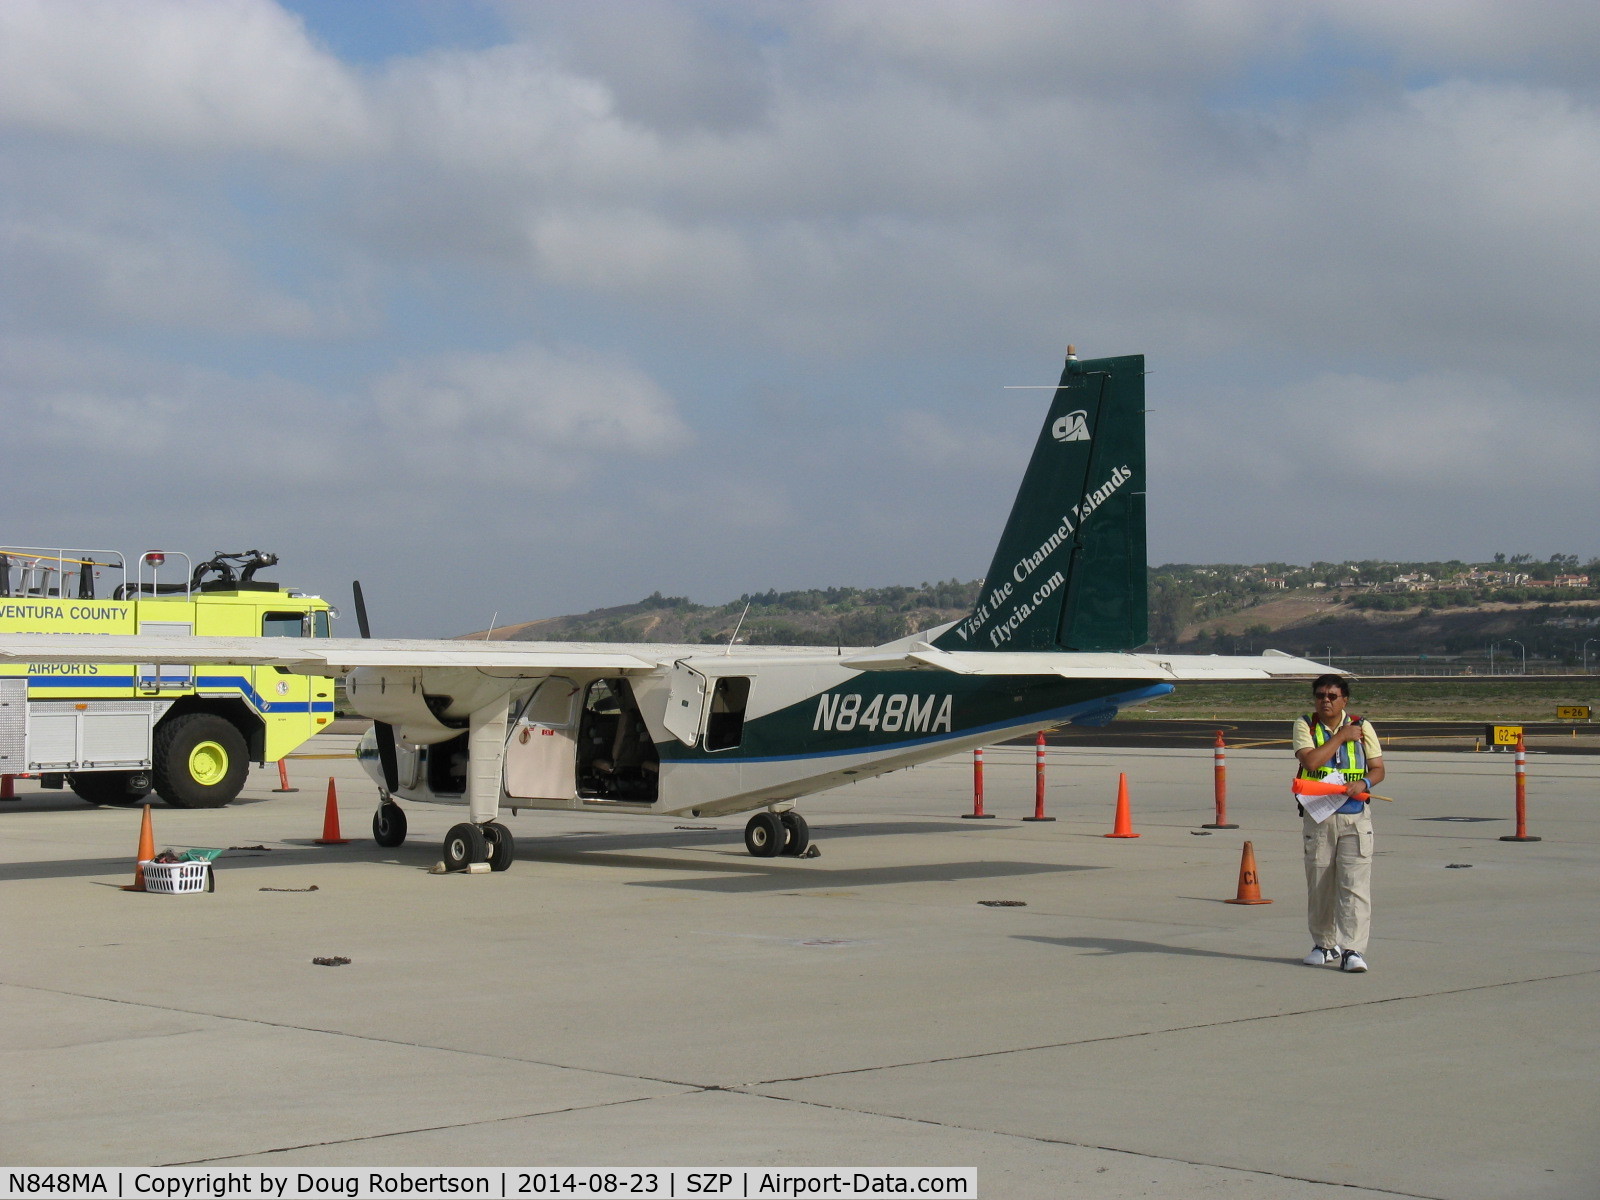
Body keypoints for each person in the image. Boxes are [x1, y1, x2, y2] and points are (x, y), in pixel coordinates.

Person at [1292, 674, 1385, 972]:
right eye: (1320, 695)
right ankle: (1324, 943)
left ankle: (1353, 950)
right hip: (1319, 817)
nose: (1325, 701)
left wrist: (1366, 782)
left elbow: (1379, 768)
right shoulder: (1304, 725)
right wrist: (1342, 737)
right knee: (1319, 885)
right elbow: (1311, 762)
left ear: (1345, 699)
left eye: (1332, 696)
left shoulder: (1364, 725)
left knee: (1354, 886)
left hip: (1354, 817)